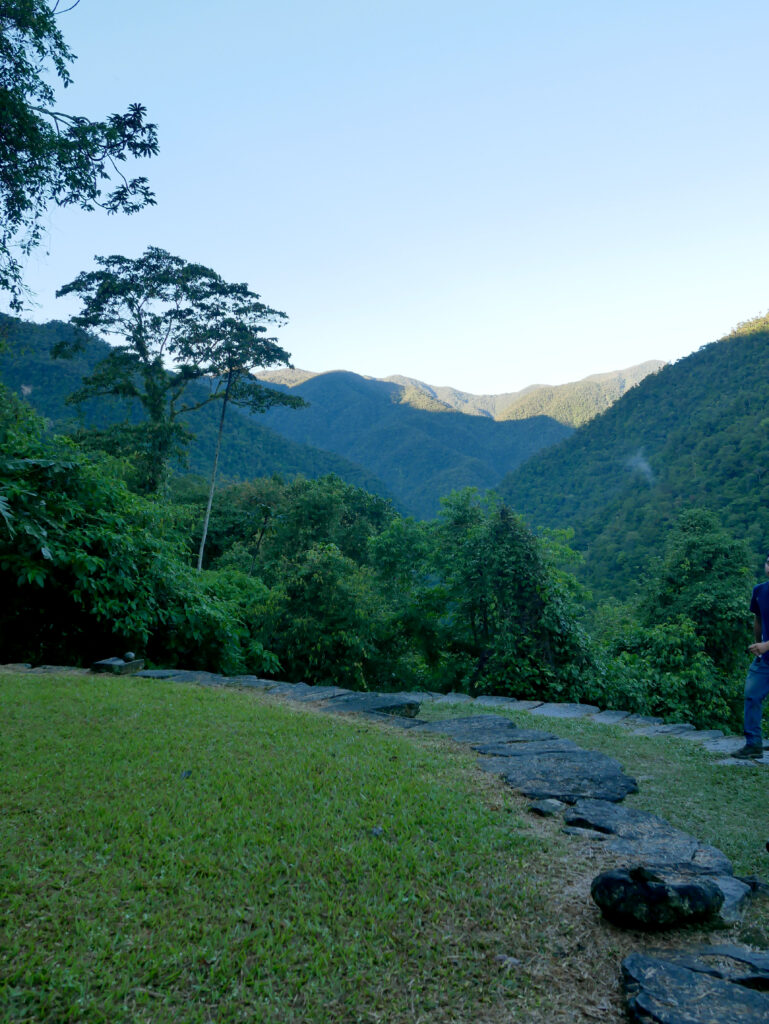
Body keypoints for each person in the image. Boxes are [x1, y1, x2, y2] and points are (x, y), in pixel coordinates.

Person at [735, 553, 769, 759]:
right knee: (752, 694)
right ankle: (753, 744)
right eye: (768, 563)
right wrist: (759, 645)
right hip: (764, 658)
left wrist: (766, 645)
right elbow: (758, 619)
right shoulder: (759, 591)